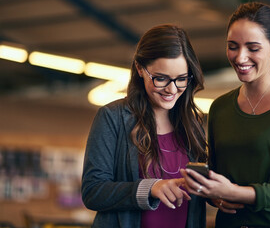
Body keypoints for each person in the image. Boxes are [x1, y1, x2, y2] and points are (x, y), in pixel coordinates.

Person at [181, 2, 270, 227]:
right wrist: (215, 195)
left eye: (253, 48)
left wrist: (236, 192)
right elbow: (217, 177)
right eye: (233, 46)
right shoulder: (220, 107)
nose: (240, 57)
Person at [81, 24, 207, 228]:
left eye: (181, 79)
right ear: (140, 68)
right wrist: (150, 188)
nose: (171, 89)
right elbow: (93, 191)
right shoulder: (113, 117)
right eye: (161, 78)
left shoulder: (193, 125)